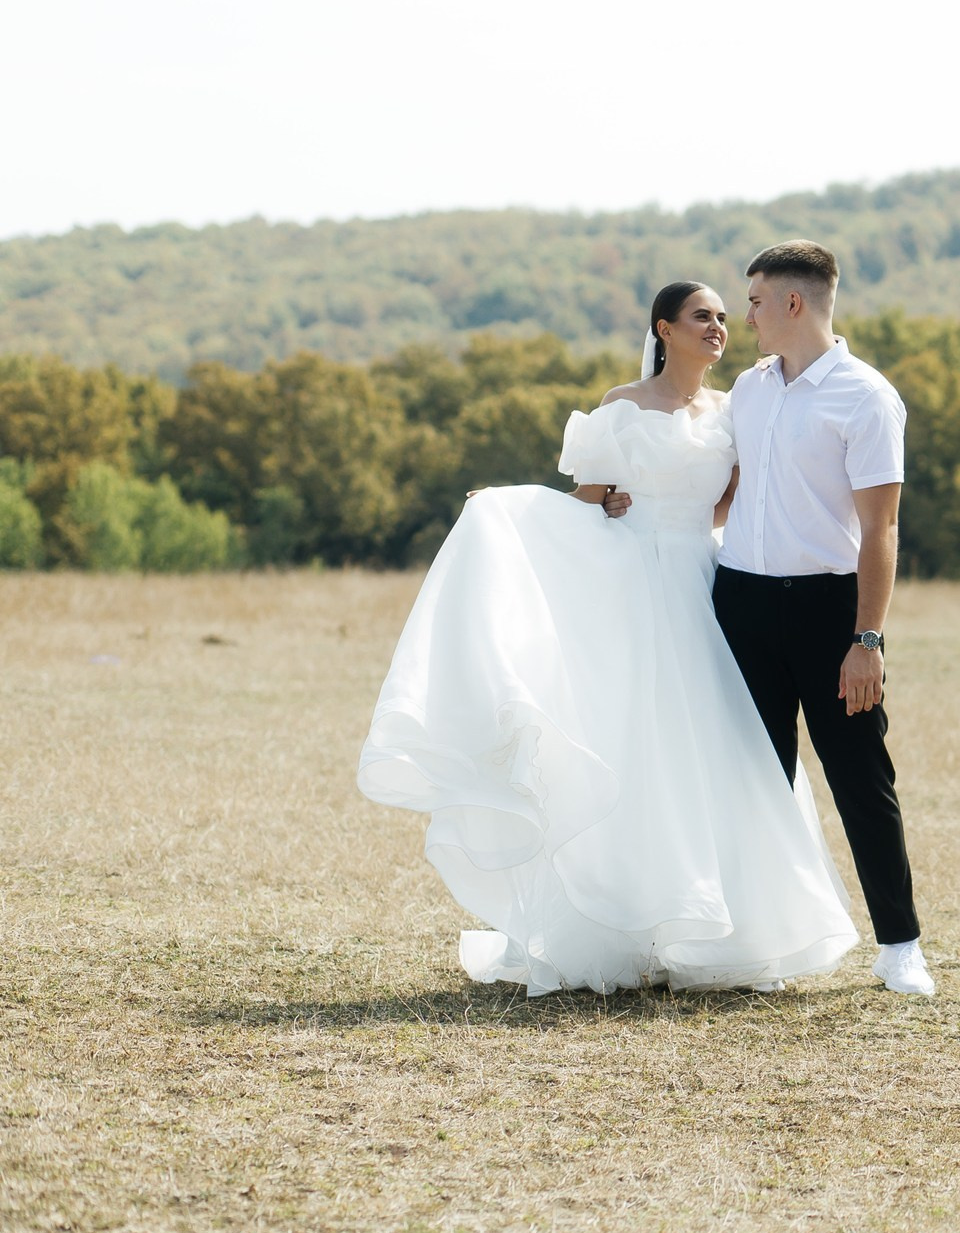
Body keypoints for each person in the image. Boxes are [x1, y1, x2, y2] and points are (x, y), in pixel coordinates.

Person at [355, 279, 875, 995]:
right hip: (632, 585)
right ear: (664, 328)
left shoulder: (734, 411)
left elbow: (731, 501)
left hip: (706, 586)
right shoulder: (618, 406)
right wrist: (527, 507)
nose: (719, 327)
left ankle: (724, 933)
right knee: (636, 745)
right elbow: (584, 498)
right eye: (703, 316)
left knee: (720, 749)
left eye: (726, 317)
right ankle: (625, 926)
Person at [706, 239, 932, 997]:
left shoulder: (867, 396)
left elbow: (882, 530)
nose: (748, 316)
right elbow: (729, 492)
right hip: (739, 602)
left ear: (793, 304)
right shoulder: (748, 388)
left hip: (830, 611)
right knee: (755, 781)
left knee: (861, 779)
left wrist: (866, 638)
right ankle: (762, 947)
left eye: (757, 301)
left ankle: (900, 945)